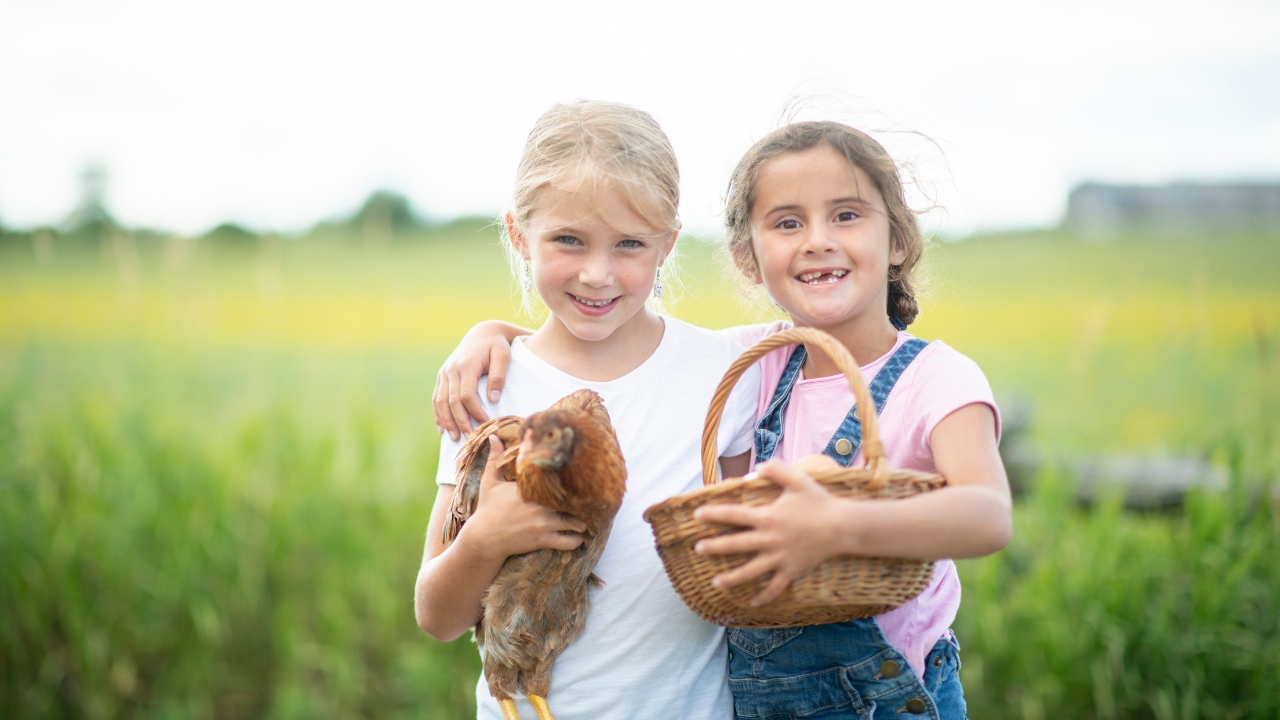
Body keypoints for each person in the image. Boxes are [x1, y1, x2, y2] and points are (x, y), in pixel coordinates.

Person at [434, 120, 1011, 719]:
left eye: (846, 215)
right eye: (788, 222)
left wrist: (840, 526)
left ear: (898, 240)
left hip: (891, 695)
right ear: (748, 258)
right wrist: (493, 337)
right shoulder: (752, 362)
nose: (817, 240)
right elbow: (602, 351)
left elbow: (989, 515)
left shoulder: (933, 377)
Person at [414, 100, 760, 720]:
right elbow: (436, 616)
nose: (597, 274)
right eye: (568, 240)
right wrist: (485, 540)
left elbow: (741, 568)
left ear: (667, 245)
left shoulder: (721, 375)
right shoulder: (490, 387)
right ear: (520, 234)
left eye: (629, 244)